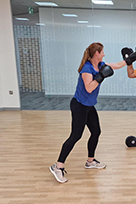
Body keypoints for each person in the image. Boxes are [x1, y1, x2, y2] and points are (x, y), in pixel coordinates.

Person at [49, 42, 126, 184]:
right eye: (102, 52)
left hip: (89, 106)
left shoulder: (101, 65)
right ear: (96, 53)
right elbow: (89, 88)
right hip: (79, 105)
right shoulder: (87, 69)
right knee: (75, 135)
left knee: (96, 131)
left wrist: (130, 59)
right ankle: (58, 166)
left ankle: (90, 161)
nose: (104, 54)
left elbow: (116, 65)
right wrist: (101, 76)